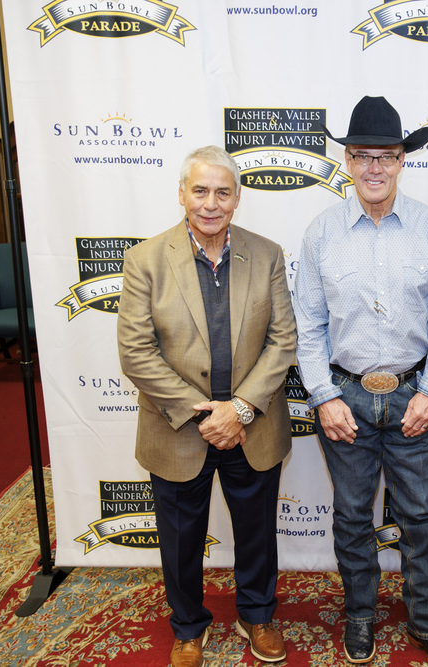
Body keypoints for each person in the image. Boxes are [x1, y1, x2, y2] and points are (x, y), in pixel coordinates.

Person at [293, 96, 428, 667]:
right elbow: (309, 328)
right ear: (346, 160)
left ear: (400, 161)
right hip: (343, 398)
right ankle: (360, 615)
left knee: (420, 514)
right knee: (350, 514)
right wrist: (322, 397)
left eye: (386, 156)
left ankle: (426, 621)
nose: (374, 167)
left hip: (415, 396)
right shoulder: (321, 233)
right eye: (362, 155)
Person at [118, 145, 297, 667]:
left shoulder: (266, 254)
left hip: (252, 426)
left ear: (238, 198)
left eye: (223, 192)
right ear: (182, 194)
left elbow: (283, 341)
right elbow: (135, 352)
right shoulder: (145, 259)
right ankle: (189, 627)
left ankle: (257, 616)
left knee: (258, 534)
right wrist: (204, 413)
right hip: (177, 430)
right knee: (179, 541)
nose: (211, 203)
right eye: (200, 191)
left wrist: (238, 410)